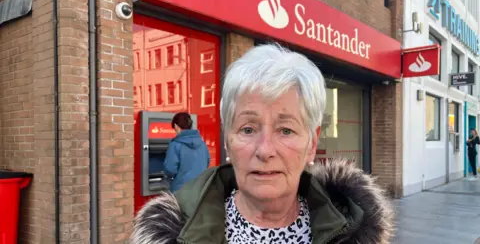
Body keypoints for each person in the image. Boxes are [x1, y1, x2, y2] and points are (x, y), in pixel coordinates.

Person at [131, 44, 394, 244]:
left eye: (286, 130)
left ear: (312, 144)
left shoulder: (356, 230)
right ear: (227, 141)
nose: (265, 150)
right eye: (248, 129)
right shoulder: (173, 234)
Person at [163, 112, 210, 192]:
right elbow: (207, 162)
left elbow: (170, 169)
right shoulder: (202, 144)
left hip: (180, 191)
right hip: (199, 189)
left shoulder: (175, 144)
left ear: (176, 126)